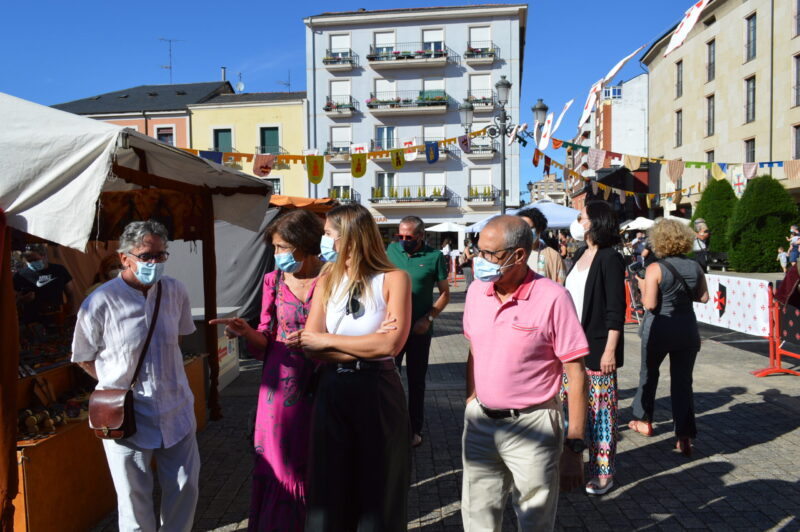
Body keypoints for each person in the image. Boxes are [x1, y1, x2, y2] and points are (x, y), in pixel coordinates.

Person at [462, 215, 589, 531]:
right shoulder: (477, 293)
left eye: (490, 254)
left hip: (533, 426)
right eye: (479, 251)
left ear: (519, 255)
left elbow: (576, 374)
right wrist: (471, 401)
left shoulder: (553, 298)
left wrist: (574, 444)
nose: (481, 261)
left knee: (534, 521)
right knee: (477, 516)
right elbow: (474, 351)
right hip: (480, 423)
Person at [72, 220, 199, 532]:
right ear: (124, 257)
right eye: (146, 256)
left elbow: (177, 341)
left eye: (161, 255)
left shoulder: (175, 291)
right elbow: (83, 356)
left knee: (186, 487)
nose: (154, 263)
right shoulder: (100, 301)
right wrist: (114, 383)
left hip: (176, 407)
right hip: (126, 414)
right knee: (133, 497)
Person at [295, 203, 412, 530]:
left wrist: (328, 342)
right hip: (332, 387)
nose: (324, 240)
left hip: (376, 389)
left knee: (379, 486)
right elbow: (311, 344)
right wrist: (365, 346)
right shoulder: (328, 277)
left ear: (348, 237)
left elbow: (390, 345)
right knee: (329, 486)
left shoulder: (393, 278)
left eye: (328, 233)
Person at [209, 209, 325, 531]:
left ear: (305, 244)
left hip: (323, 379)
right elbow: (264, 340)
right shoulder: (272, 282)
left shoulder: (332, 279)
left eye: (282, 248)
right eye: (274, 248)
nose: (277, 255)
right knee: (279, 462)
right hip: (279, 383)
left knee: (317, 458)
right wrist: (245, 332)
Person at [630, 218, 709, 458]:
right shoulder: (695, 266)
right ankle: (684, 436)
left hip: (659, 329)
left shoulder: (655, 268)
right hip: (686, 329)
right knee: (683, 382)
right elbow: (704, 298)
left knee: (649, 374)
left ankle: (644, 420)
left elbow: (650, 304)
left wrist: (642, 284)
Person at [564, 201, 626, 495]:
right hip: (570, 347)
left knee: (601, 413)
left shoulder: (609, 258)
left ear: (595, 222)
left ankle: (603, 471)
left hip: (599, 347)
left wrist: (610, 350)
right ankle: (572, 464)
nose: (577, 221)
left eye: (582, 217)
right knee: (571, 410)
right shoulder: (579, 253)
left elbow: (616, 308)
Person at [387, 216, 450, 447]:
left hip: (419, 330)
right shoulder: (391, 250)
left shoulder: (435, 257)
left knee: (416, 381)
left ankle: (414, 429)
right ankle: (390, 425)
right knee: (388, 379)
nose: (403, 241)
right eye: (400, 236)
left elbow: (445, 293)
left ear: (421, 236)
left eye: (409, 237)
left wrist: (429, 318)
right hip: (392, 328)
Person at [13, 243, 77, 324]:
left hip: (57, 319)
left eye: (35, 260)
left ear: (44, 256)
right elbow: (12, 301)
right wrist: (22, 299)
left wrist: (71, 313)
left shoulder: (59, 270)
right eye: (29, 261)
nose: (32, 263)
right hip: (33, 324)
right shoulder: (20, 276)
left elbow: (70, 294)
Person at [517, 207, 566, 284]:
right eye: (522, 227)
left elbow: (561, 285)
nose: (525, 231)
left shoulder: (553, 256)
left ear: (539, 229)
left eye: (530, 228)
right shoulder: (511, 254)